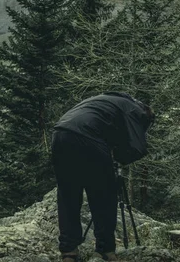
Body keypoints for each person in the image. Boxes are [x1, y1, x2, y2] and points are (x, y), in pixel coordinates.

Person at [51, 92, 154, 262]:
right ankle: (105, 249)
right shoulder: (137, 112)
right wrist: (117, 157)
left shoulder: (111, 101)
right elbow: (137, 147)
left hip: (60, 133)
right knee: (104, 195)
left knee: (68, 195)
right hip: (87, 137)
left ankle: (69, 250)